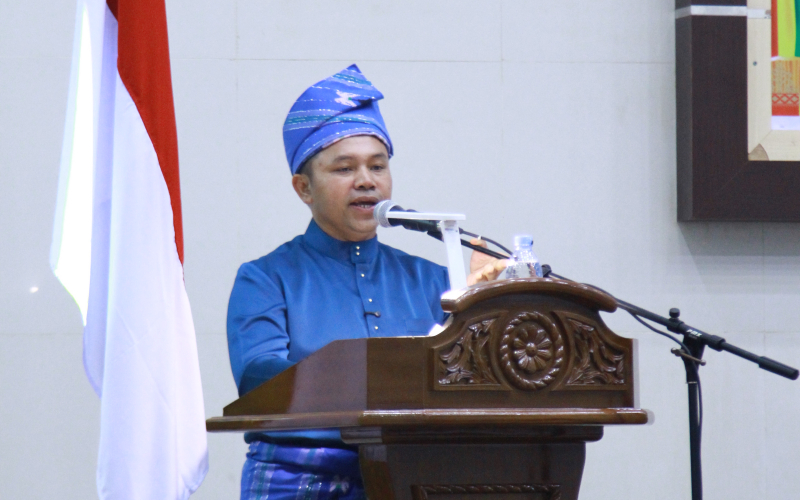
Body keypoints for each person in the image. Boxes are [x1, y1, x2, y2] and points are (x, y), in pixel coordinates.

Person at [226, 64, 506, 500]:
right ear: (304, 188)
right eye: (344, 169)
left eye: (378, 166)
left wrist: (484, 308)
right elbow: (259, 379)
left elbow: (469, 383)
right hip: (299, 478)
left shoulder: (434, 280)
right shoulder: (265, 278)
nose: (366, 181)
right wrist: (377, 375)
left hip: (415, 476)